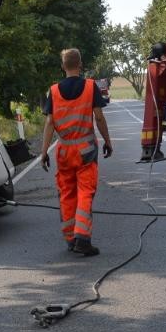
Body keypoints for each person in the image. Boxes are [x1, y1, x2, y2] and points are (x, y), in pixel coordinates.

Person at [41, 48, 113, 256]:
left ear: (63, 66)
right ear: (80, 65)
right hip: (86, 150)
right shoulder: (91, 87)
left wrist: (44, 151)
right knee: (85, 191)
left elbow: (49, 122)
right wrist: (108, 141)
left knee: (67, 192)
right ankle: (83, 237)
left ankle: (71, 238)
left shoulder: (53, 91)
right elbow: (98, 117)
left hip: (64, 150)